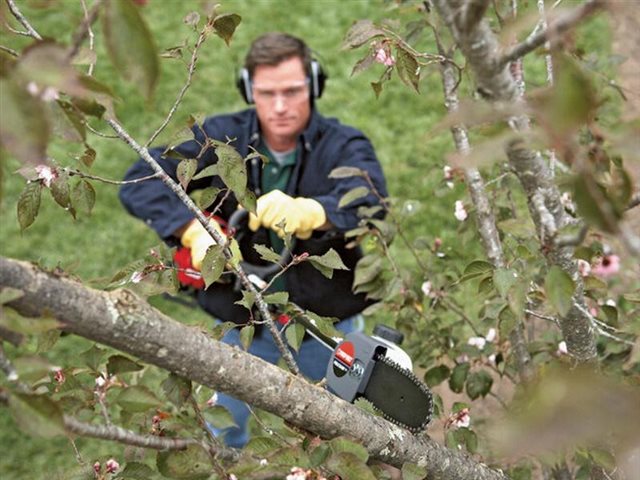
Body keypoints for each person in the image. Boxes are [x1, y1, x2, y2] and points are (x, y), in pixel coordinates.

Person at [119, 32, 387, 448]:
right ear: (249, 91)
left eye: (293, 91)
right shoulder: (221, 140)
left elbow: (372, 203)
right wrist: (194, 231)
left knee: (344, 434)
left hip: (321, 323)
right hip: (239, 323)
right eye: (267, 93)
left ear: (313, 86)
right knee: (223, 429)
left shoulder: (343, 145)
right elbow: (140, 178)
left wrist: (315, 212)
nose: (279, 107)